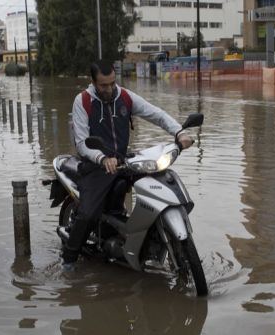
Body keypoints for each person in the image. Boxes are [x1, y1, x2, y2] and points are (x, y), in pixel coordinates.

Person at [63, 60, 193, 268]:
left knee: (162, 184)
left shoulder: (124, 96)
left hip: (124, 161)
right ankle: (68, 260)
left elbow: (156, 114)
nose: (109, 88)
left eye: (112, 83)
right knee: (88, 214)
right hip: (96, 165)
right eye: (104, 85)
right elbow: (81, 142)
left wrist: (179, 132)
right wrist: (102, 158)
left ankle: (149, 238)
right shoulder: (83, 101)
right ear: (94, 82)